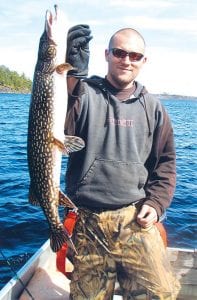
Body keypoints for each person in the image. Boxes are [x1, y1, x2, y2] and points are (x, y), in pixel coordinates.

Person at [65, 25, 180, 299]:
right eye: (119, 52)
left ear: (143, 61)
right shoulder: (83, 93)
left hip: (135, 217)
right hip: (87, 218)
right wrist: (71, 72)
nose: (126, 60)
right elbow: (61, 119)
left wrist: (156, 203)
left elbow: (166, 163)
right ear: (106, 54)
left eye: (134, 55)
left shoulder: (153, 108)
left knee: (162, 292)